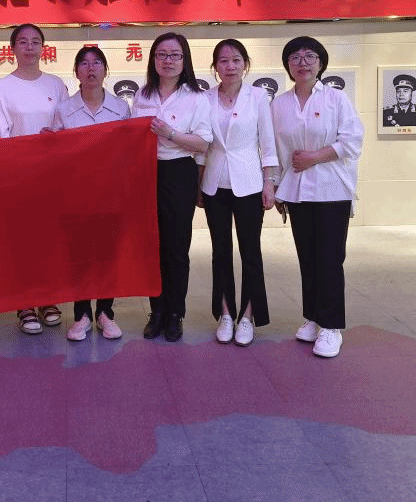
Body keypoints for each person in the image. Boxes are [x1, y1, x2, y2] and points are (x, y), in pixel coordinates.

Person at [271, 36, 363, 359]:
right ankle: (312, 316)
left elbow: (352, 141)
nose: (303, 63)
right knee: (307, 257)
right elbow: (276, 149)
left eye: (310, 56)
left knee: (329, 258)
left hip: (331, 190)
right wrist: (277, 186)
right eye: (295, 57)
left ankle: (331, 326)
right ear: (288, 65)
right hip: (296, 190)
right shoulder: (279, 104)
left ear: (321, 63)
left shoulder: (337, 99)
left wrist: (314, 157)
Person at [0, 22, 69, 334]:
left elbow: (65, 128)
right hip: (18, 177)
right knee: (21, 242)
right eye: (23, 41)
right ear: (12, 49)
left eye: (35, 41)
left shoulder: (56, 85)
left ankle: (48, 298)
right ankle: (24, 304)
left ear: (43, 48)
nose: (30, 47)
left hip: (51, 176)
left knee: (49, 240)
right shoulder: (2, 88)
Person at [132, 32, 212, 342]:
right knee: (152, 247)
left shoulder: (196, 98)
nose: (168, 61)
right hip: (146, 172)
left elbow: (203, 143)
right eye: (162, 55)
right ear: (153, 59)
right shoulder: (142, 95)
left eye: (175, 55)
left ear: (184, 60)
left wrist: (170, 133)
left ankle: (176, 313)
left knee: (176, 248)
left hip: (178, 172)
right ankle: (157, 312)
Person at [201, 39, 279, 347]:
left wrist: (270, 182)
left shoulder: (257, 96)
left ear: (245, 64)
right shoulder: (205, 98)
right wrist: (198, 184)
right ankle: (225, 313)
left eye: (236, 60)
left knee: (250, 251)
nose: (230, 66)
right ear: (215, 66)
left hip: (249, 183)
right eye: (223, 61)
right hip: (214, 183)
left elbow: (268, 143)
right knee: (220, 251)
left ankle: (247, 315)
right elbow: (202, 145)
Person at [51, 46, 131, 341]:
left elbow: (127, 151)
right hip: (76, 195)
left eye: (97, 63)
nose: (91, 69)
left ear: (105, 70)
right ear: (76, 73)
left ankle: (106, 313)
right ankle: (82, 315)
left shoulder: (121, 109)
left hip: (111, 194)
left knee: (107, 256)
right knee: (79, 257)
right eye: (84, 64)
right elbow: (56, 154)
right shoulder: (64, 109)